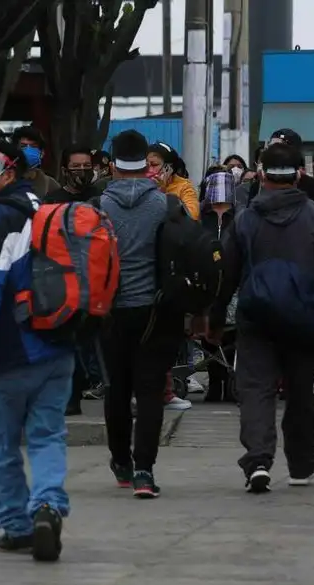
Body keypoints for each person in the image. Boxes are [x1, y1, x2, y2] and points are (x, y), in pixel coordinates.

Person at [208, 141, 314, 493]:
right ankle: (301, 464)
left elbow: (225, 274)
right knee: (302, 391)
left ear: (260, 175)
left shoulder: (245, 220)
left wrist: (213, 319)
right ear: (299, 175)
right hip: (305, 321)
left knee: (256, 390)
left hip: (256, 318)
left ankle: (258, 461)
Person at [0, 140, 74, 562]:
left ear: (9, 173)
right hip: (58, 344)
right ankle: (47, 505)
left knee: (4, 444)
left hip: (9, 351)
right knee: (47, 436)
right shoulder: (47, 208)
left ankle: (17, 525)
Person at [97, 130, 184, 498]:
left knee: (116, 388)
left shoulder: (96, 206)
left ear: (113, 164)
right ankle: (145, 472)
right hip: (155, 310)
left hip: (109, 311)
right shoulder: (166, 205)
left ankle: (121, 462)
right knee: (150, 390)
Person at [44, 144, 106, 411]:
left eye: (86, 166)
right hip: (62, 279)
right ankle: (71, 395)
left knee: (93, 339)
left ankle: (98, 384)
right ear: (64, 170)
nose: (82, 171)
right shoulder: (52, 199)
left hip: (97, 279)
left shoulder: (102, 196)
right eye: (76, 167)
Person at [200, 169, 239, 403]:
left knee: (233, 335)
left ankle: (231, 380)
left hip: (233, 283)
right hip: (208, 283)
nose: (220, 210)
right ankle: (215, 382)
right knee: (209, 335)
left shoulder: (240, 220)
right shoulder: (199, 220)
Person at [146, 141, 200, 220]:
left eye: (154, 165)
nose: (149, 170)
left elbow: (192, 216)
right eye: (146, 165)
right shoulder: (141, 183)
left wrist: (162, 193)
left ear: (169, 168)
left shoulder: (184, 187)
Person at [10, 125, 60, 198]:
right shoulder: (5, 181)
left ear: (42, 153)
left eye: (33, 146)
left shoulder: (50, 185)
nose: (28, 150)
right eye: (23, 146)